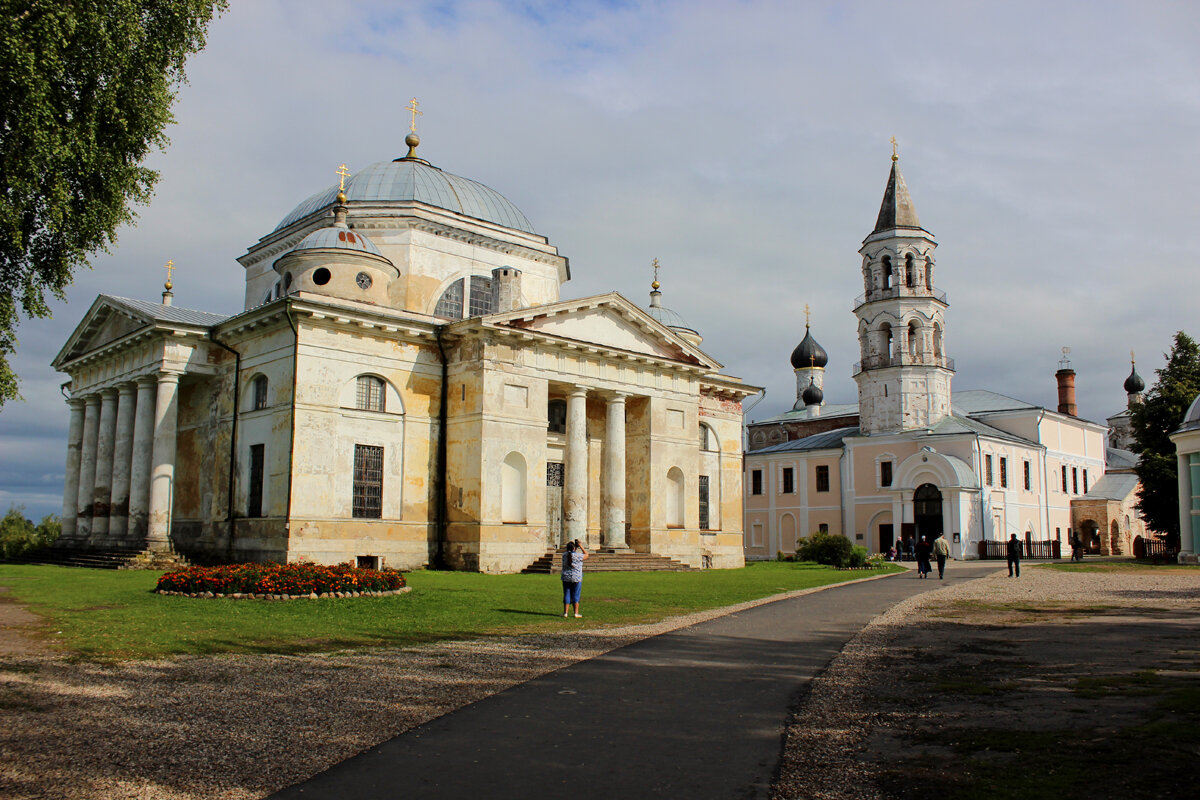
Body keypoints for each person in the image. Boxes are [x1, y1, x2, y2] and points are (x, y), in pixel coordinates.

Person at [561, 538, 588, 618]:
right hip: (576, 578)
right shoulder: (578, 556)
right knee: (576, 595)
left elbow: (569, 553)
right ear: (574, 548)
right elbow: (586, 555)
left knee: (567, 594)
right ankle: (576, 613)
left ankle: (565, 613)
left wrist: (575, 547)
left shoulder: (564, 555)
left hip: (566, 577)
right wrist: (580, 546)